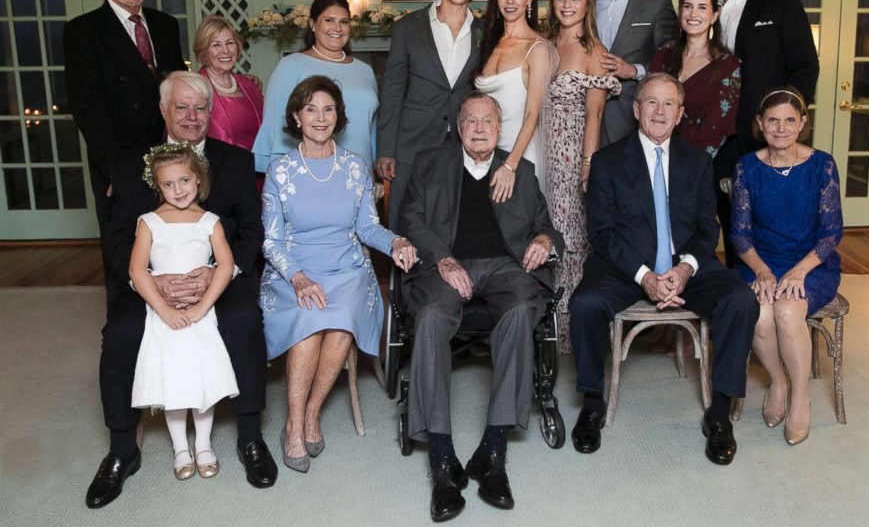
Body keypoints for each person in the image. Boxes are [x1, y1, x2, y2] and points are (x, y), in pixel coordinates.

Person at [87, 71, 276, 509]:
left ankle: (249, 437)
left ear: (212, 111)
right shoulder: (132, 164)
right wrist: (151, 280)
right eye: (182, 107)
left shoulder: (235, 161)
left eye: (201, 107)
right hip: (150, 281)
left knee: (245, 320)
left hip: (217, 278)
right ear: (163, 111)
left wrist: (219, 273)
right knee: (119, 333)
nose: (192, 116)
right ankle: (121, 449)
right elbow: (116, 238)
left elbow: (250, 231)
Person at [568, 73, 758, 465]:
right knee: (585, 303)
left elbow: (709, 227)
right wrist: (645, 277)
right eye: (651, 102)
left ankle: (719, 413)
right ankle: (592, 401)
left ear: (680, 113)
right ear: (636, 110)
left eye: (668, 104)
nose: (659, 111)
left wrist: (685, 269)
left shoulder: (696, 162)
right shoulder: (607, 161)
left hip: (684, 266)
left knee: (740, 299)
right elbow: (601, 233)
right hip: (625, 268)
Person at [398, 92, 564, 521]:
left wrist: (545, 240)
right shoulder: (430, 163)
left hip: (504, 266)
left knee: (521, 308)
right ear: (457, 125)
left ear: (499, 128)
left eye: (487, 121)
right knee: (432, 315)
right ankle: (442, 459)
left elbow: (546, 227)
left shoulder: (521, 171)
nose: (478, 128)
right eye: (470, 120)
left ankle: (493, 451)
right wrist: (442, 258)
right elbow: (411, 219)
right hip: (446, 264)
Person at [258, 76, 417, 473]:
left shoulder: (354, 167)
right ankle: (293, 425)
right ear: (296, 116)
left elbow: (366, 228)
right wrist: (298, 278)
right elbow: (271, 241)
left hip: (346, 267)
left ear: (338, 116)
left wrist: (396, 242)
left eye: (328, 109)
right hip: (293, 269)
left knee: (341, 319)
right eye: (310, 108)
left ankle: (311, 413)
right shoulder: (280, 170)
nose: (320, 117)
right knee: (311, 319)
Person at [64, 0, 186, 291]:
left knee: (172, 243)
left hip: (168, 153)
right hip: (120, 158)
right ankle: (126, 331)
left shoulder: (164, 25)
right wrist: (114, 170)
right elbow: (87, 107)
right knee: (124, 250)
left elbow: (176, 89)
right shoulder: (83, 31)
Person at [731, 87, 842, 446]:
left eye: (790, 120)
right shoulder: (747, 166)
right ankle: (778, 381)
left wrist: (799, 271)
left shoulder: (822, 164)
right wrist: (762, 271)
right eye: (773, 120)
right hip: (760, 260)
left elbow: (830, 234)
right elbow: (740, 235)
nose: (781, 128)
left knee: (788, 313)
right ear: (760, 124)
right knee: (760, 313)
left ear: (803, 124)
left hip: (811, 263)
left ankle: (800, 396)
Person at [705, 0, 819, 266]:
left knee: (769, 220)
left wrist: (785, 125)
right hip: (716, 139)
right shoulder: (705, 10)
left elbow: (804, 67)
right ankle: (737, 294)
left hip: (761, 137)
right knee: (726, 220)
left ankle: (776, 293)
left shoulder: (780, 3)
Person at [129, 142, 239, 481]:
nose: (178, 190)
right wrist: (164, 310)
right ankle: (180, 447)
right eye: (168, 184)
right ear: (157, 186)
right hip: (166, 318)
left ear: (198, 179)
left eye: (185, 181)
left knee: (202, 380)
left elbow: (225, 265)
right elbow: (137, 271)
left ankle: (204, 445)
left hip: (200, 316)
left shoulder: (209, 221)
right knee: (173, 382)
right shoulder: (149, 222)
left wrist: (204, 307)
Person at [376, 0, 483, 227]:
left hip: (463, 143)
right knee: (405, 221)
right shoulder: (408, 28)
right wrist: (386, 148)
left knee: (457, 221)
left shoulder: (485, 30)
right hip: (413, 143)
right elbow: (392, 91)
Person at [543, 0, 621, 353]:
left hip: (572, 153)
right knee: (540, 231)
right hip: (538, 151)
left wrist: (588, 166)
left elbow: (595, 115)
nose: (568, 5)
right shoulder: (543, 44)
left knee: (570, 240)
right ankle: (541, 326)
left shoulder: (594, 50)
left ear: (587, 4)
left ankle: (569, 336)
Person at [253, 0, 378, 170]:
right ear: (312, 24)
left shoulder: (365, 70)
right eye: (329, 20)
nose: (337, 28)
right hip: (309, 173)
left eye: (344, 22)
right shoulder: (290, 65)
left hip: (359, 173)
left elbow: (371, 130)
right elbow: (276, 126)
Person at [474, 0, 557, 198]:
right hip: (485, 155)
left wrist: (511, 165)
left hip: (519, 155)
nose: (510, 0)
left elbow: (533, 113)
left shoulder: (537, 48)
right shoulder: (489, 43)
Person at [594, 0, 677, 145]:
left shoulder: (657, 1)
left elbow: (672, 59)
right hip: (586, 115)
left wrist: (634, 70)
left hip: (631, 116)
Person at [650, 0, 741, 158]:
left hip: (697, 162)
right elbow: (648, 109)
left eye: (702, 7)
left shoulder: (728, 66)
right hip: (653, 155)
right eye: (688, 6)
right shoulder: (662, 57)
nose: (693, 14)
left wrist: (683, 163)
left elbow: (716, 129)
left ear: (714, 15)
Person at [193, 15, 264, 152]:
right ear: (204, 51)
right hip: (215, 169)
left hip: (256, 169)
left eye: (230, 43)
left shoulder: (250, 86)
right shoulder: (194, 88)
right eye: (216, 45)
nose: (225, 51)